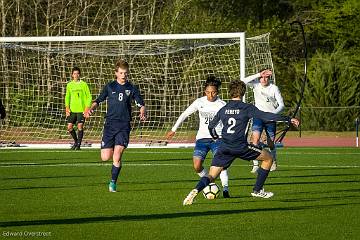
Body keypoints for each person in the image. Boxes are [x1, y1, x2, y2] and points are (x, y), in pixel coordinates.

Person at [183, 80, 299, 205]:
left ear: (229, 93)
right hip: (240, 147)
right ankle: (257, 190)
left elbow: (211, 126)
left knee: (211, 175)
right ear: (243, 93)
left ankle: (195, 190)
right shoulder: (247, 108)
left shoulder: (224, 108)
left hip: (224, 147)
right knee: (268, 158)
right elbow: (266, 116)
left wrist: (215, 138)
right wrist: (288, 119)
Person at [85, 59, 147, 192]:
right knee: (105, 157)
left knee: (117, 156)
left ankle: (113, 182)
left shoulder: (132, 88)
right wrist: (91, 108)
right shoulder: (110, 86)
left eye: (125, 73)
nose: (123, 75)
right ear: (116, 73)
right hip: (109, 125)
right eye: (121, 73)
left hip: (124, 126)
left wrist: (142, 110)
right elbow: (98, 100)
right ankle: (112, 147)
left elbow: (140, 103)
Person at [166, 76, 231, 198]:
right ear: (204, 91)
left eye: (213, 92)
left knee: (221, 164)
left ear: (218, 92)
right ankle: (208, 181)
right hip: (202, 139)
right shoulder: (199, 102)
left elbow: (228, 123)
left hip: (218, 139)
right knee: (196, 166)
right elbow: (185, 113)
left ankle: (225, 189)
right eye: (208, 92)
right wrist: (174, 129)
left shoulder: (222, 105)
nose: (210, 95)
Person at [242, 69, 284, 173]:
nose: (264, 79)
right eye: (262, 77)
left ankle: (273, 160)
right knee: (255, 140)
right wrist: (259, 74)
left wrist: (272, 114)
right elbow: (243, 81)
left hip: (270, 118)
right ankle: (256, 164)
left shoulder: (274, 88)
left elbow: (282, 105)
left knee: (270, 143)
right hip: (258, 117)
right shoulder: (256, 85)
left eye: (266, 77)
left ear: (269, 78)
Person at [65, 67, 92, 150]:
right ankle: (76, 142)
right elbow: (67, 97)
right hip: (72, 110)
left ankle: (79, 145)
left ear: (79, 75)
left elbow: (89, 97)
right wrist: (67, 107)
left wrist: (87, 108)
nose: (76, 75)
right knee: (69, 127)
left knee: (80, 126)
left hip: (81, 110)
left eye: (77, 73)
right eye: (74, 73)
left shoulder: (84, 84)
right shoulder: (69, 85)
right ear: (72, 75)